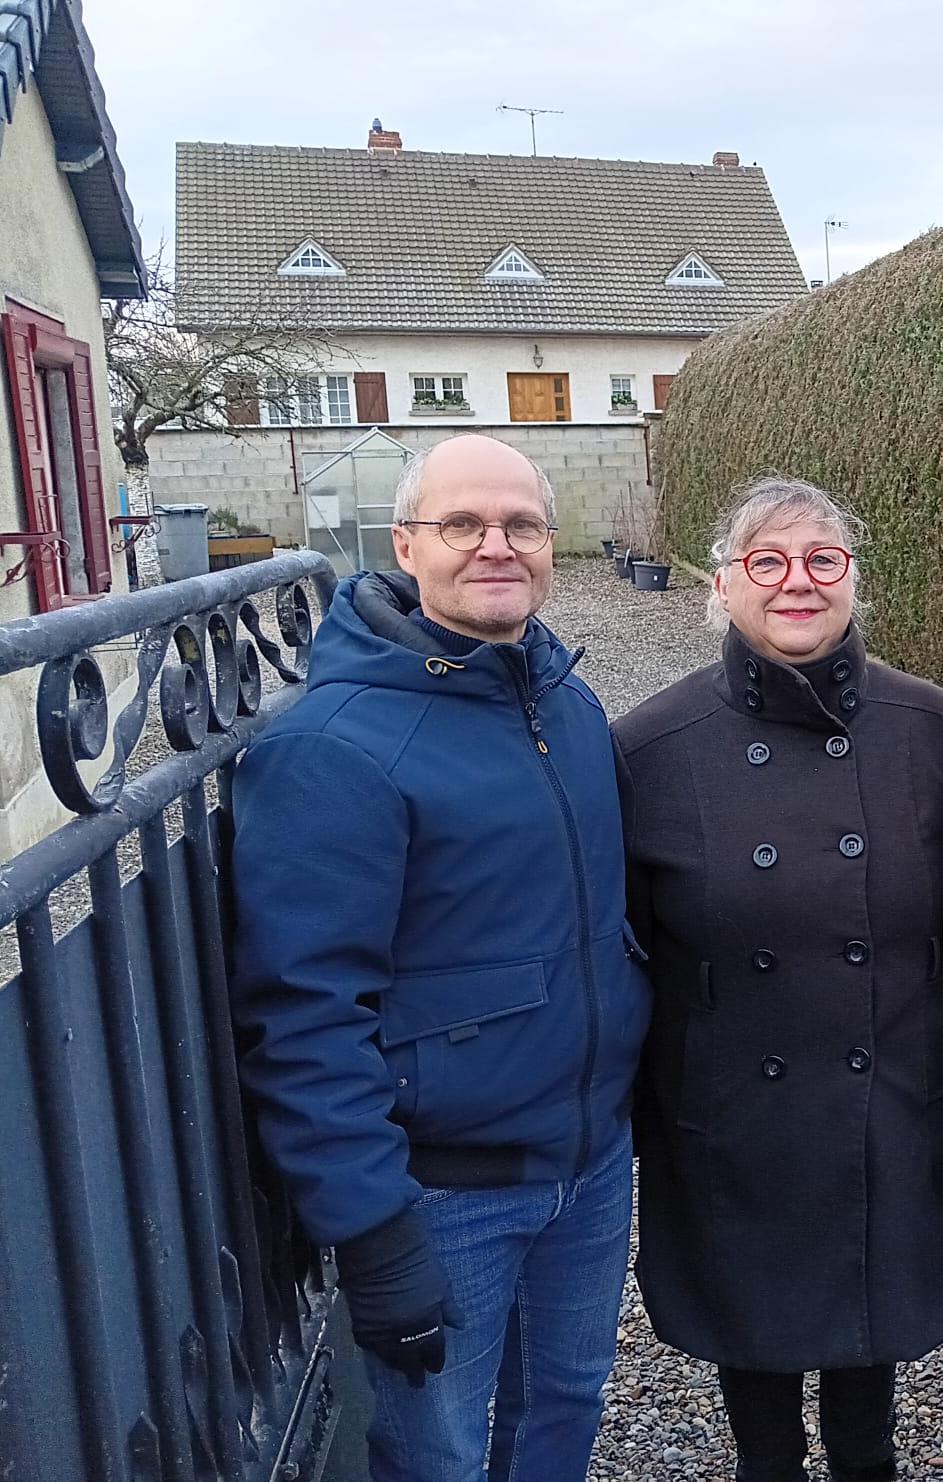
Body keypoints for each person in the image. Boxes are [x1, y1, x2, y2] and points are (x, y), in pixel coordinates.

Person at [230, 435, 652, 1481]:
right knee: (441, 1455)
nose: (496, 546)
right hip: (445, 1192)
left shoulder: (563, 700)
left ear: (552, 545)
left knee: (561, 1408)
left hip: (589, 1164)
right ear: (408, 545)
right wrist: (372, 1228)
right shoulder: (335, 747)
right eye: (463, 525)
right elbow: (301, 1012)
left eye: (521, 525)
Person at [615, 477, 943, 1482]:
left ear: (852, 580)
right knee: (761, 1374)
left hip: (890, 1089)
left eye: (822, 559)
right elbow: (619, 945)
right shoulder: (650, 750)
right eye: (768, 561)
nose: (798, 581)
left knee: (868, 1346)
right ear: (725, 586)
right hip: (735, 1108)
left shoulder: (937, 729)